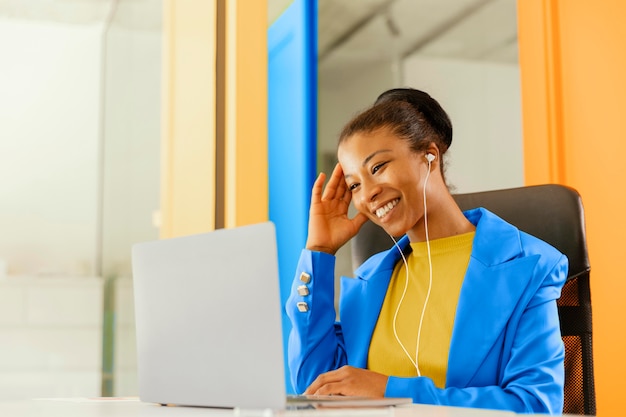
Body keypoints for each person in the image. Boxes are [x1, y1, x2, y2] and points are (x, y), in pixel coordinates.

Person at [285, 88, 567, 414]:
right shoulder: (370, 281)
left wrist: (390, 391)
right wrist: (318, 251)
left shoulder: (528, 268)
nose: (368, 194)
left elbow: (535, 406)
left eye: (377, 167)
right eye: (354, 185)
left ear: (428, 156)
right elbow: (316, 387)